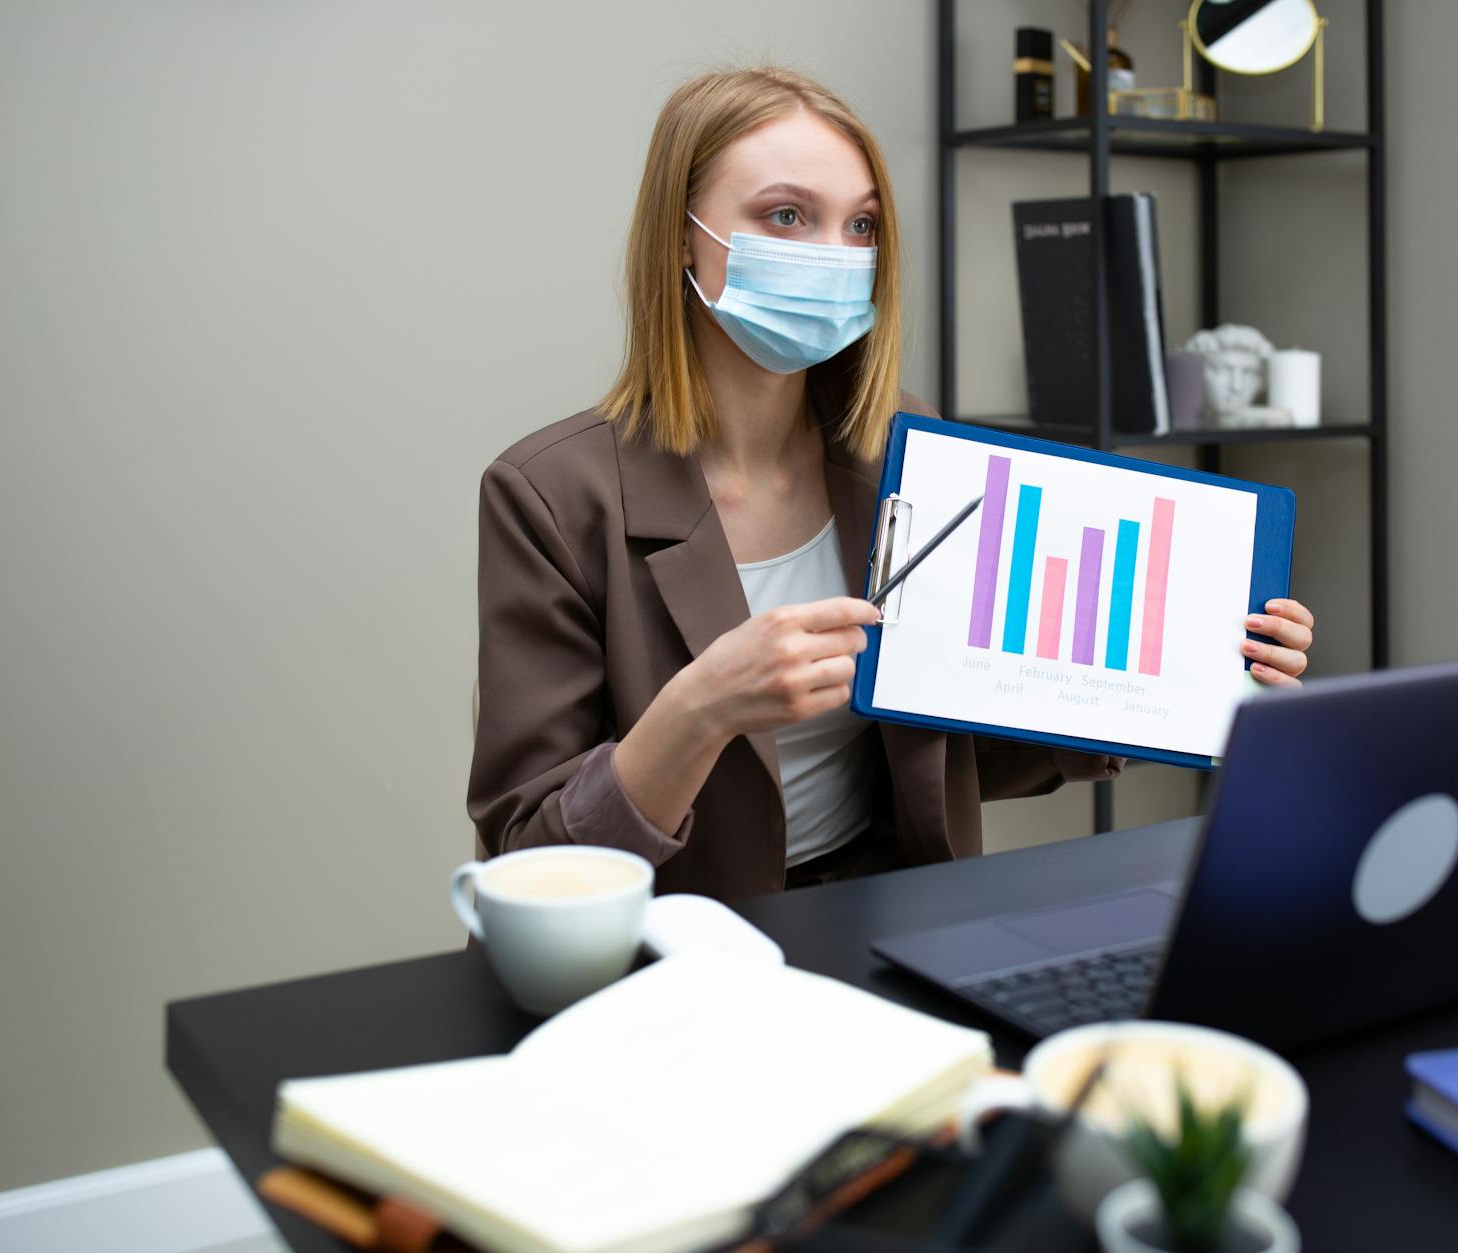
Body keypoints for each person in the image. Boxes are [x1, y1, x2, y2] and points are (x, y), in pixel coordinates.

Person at [466, 66, 1317, 901]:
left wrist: (1180, 682)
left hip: (874, 914)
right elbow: (527, 858)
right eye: (787, 216)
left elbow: (947, 746)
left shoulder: (905, 452)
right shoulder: (548, 495)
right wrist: (700, 708)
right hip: (661, 959)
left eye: (862, 227)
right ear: (682, 235)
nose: (836, 257)